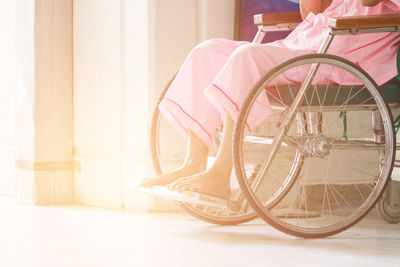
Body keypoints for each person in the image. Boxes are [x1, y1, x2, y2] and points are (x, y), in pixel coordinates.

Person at [140, 0, 400, 202]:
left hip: (341, 59)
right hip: (307, 44)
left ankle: (221, 173)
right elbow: (309, 13)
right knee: (205, 52)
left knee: (247, 57)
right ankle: (193, 162)